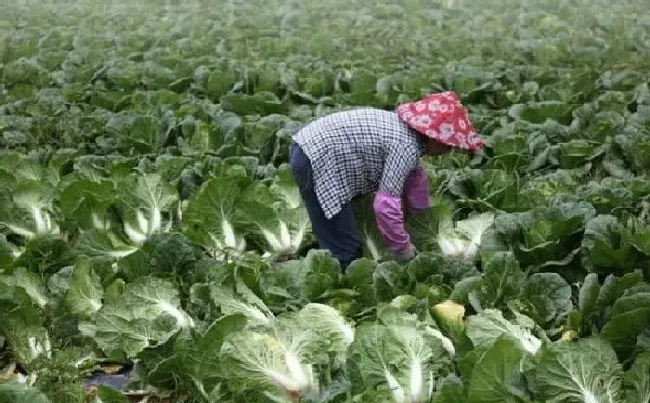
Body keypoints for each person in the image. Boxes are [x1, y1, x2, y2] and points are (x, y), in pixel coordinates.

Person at [289, 91, 485, 269]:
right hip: (316, 158)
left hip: (312, 149)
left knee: (347, 226)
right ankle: (338, 287)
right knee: (344, 247)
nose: (449, 150)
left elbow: (416, 188)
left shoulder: (407, 140)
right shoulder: (406, 146)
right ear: (435, 138)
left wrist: (422, 230)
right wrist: (404, 249)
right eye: (448, 145)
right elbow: (385, 205)